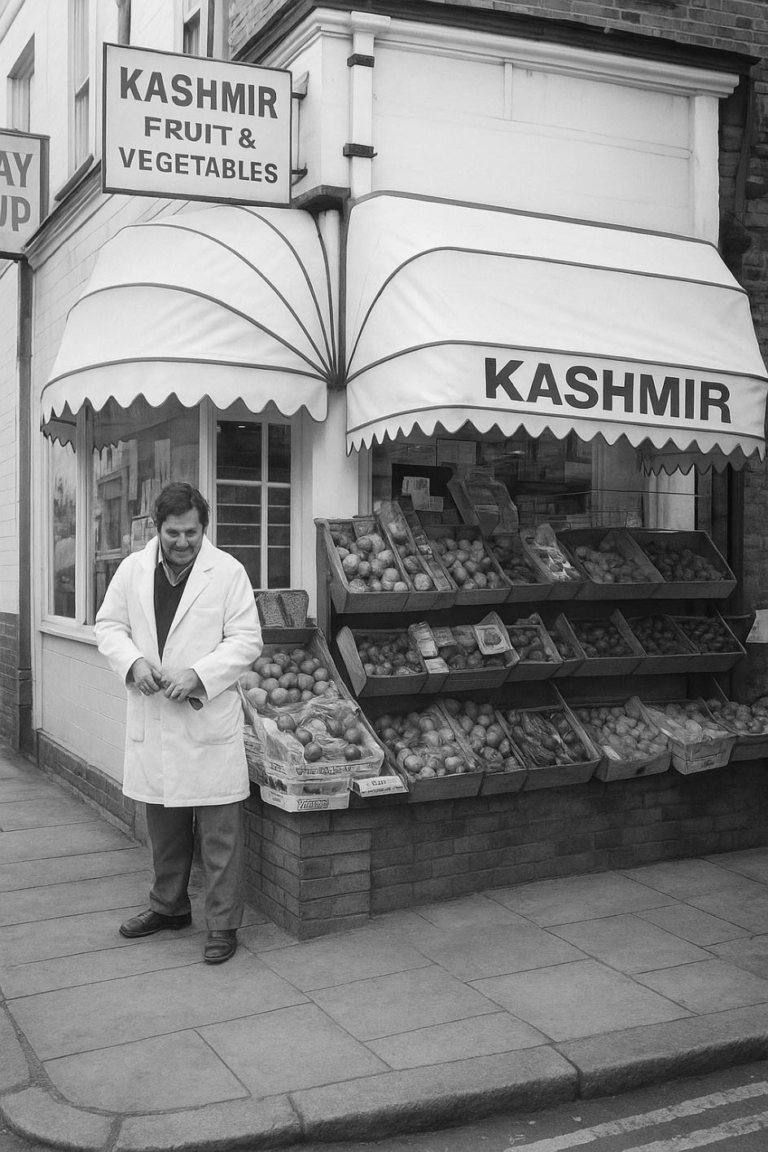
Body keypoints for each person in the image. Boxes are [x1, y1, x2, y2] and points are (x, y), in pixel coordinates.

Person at [94, 482, 262, 964]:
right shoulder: (132, 570)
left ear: (204, 527)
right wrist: (133, 663)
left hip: (205, 719)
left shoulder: (227, 572)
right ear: (157, 527)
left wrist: (199, 674)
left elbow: (247, 640)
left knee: (220, 834)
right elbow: (109, 626)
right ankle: (168, 908)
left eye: (191, 532)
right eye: (173, 533)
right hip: (155, 717)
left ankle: (223, 924)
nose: (183, 541)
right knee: (165, 828)